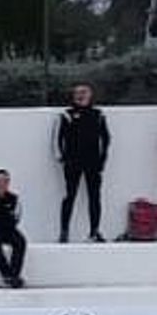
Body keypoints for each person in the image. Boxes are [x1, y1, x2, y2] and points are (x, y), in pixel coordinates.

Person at [56, 82, 111, 243]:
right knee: (69, 196)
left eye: (84, 92)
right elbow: (57, 139)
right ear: (73, 96)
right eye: (78, 93)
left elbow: (106, 139)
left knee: (95, 197)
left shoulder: (98, 114)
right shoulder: (66, 115)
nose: (81, 96)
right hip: (72, 163)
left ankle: (94, 231)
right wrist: (63, 158)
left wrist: (102, 159)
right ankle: (64, 231)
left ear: (90, 95)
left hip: (93, 163)